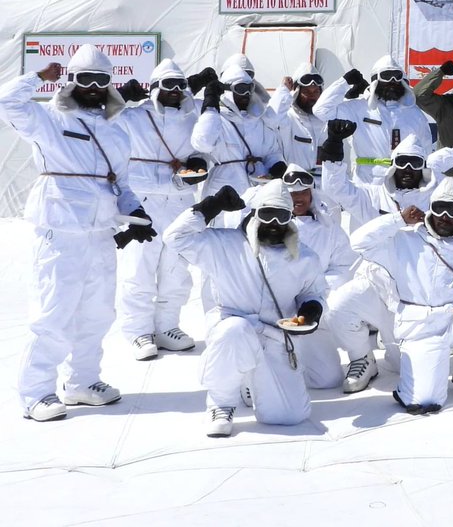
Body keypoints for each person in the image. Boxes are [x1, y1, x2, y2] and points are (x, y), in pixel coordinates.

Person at [0, 47, 154, 421]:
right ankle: (36, 393)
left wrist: (135, 210)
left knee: (97, 311)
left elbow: (121, 182)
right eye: (84, 79)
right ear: (70, 81)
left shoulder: (117, 131)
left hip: (100, 231)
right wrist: (38, 77)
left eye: (100, 80)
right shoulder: (49, 119)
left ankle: (82, 382)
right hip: (61, 228)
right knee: (55, 312)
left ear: (109, 85)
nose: (93, 87)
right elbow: (6, 103)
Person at [326, 179, 453, 412]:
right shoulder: (405, 239)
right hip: (421, 325)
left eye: (451, 210)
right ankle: (412, 376)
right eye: (439, 208)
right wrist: (398, 219)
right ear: (430, 208)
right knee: (425, 400)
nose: (444, 216)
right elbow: (359, 242)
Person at [163, 181, 327, 437]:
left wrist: (311, 311)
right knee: (234, 331)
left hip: (275, 335)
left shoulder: (305, 258)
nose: (273, 222)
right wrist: (211, 206)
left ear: (290, 217)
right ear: (254, 213)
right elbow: (175, 237)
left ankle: (254, 380)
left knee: (291, 416)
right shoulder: (225, 245)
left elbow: (312, 293)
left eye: (281, 215)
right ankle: (222, 402)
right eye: (266, 214)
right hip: (233, 329)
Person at [114, 58, 207, 360]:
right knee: (140, 264)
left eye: (180, 85)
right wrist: (119, 96)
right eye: (168, 84)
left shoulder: (192, 118)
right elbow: (98, 121)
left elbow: (206, 148)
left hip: (180, 196)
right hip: (143, 198)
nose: (175, 90)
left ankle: (167, 326)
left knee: (176, 265)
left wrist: (199, 163)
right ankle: (138, 330)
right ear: (154, 88)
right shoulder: (133, 116)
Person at [282, 164, 356, 389]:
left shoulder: (328, 228)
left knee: (328, 380)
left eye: (303, 192)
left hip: (312, 308)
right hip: (276, 307)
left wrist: (315, 294)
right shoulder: (270, 226)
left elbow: (343, 265)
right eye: (291, 193)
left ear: (312, 194)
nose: (298, 198)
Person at [313, 55, 431, 184]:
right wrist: (344, 83)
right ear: (376, 80)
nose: (392, 82)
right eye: (386, 77)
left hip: (402, 183)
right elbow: (321, 110)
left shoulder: (414, 114)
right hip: (367, 183)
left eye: (396, 77)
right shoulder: (358, 108)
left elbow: (426, 150)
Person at [191, 59, 286, 218]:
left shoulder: (258, 121)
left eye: (249, 89)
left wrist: (277, 166)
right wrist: (210, 108)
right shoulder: (215, 119)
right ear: (227, 91)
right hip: (223, 188)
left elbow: (272, 151)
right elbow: (203, 144)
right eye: (240, 89)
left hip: (257, 188)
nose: (246, 94)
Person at [320, 125, 453, 233]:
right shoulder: (373, 197)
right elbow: (335, 189)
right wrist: (333, 151)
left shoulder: (437, 199)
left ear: (423, 168)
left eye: (415, 163)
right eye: (402, 162)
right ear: (393, 166)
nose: (408, 168)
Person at [269, 62, 327, 179]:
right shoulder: (288, 118)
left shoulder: (326, 120)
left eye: (316, 91)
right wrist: (284, 90)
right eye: (307, 92)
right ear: (296, 92)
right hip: (295, 183)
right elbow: (271, 118)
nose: (312, 96)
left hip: (322, 184)